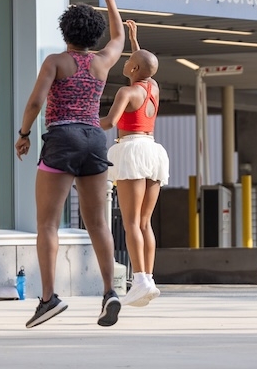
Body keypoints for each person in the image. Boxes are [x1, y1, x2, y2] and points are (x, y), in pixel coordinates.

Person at [15, 0, 125, 329]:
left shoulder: (56, 61)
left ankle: (48, 298)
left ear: (65, 32)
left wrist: (24, 134)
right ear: (93, 36)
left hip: (62, 138)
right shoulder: (102, 62)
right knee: (97, 223)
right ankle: (110, 291)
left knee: (47, 223)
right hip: (94, 138)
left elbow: (36, 101)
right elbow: (119, 38)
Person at [100, 20, 170, 308]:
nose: (126, 62)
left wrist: (82, 118)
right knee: (144, 222)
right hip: (153, 150)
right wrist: (134, 40)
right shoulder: (152, 87)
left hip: (130, 149)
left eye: (129, 60)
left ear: (133, 70)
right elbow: (145, 66)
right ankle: (148, 278)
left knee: (130, 223)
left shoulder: (125, 93)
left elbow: (109, 123)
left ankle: (139, 279)